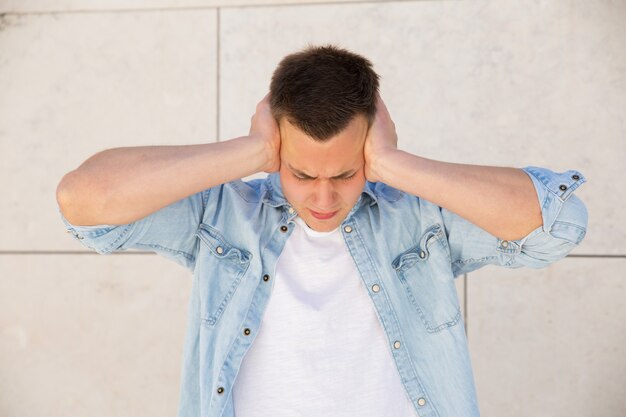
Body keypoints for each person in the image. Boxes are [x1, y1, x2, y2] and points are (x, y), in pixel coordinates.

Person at [56, 44, 588, 417]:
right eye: (302, 173)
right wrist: (252, 152)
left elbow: (558, 226)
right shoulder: (223, 217)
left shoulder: (420, 218)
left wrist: (394, 164)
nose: (323, 197)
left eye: (347, 173)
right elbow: (84, 203)